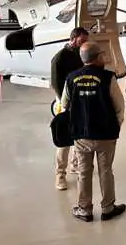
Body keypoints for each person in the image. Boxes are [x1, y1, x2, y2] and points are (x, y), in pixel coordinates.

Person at [60, 42, 126, 222]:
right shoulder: (108, 77)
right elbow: (119, 105)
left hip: (81, 134)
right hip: (105, 133)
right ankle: (108, 208)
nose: (104, 59)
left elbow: (64, 104)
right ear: (97, 58)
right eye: (102, 56)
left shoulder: (71, 78)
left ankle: (85, 209)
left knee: (84, 172)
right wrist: (116, 125)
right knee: (106, 171)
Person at [50, 27, 88, 190]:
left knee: (79, 136)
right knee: (64, 141)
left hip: (81, 102)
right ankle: (60, 174)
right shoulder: (59, 58)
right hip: (65, 103)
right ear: (73, 39)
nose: (85, 44)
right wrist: (66, 103)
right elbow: (56, 84)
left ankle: (74, 164)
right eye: (82, 41)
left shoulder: (82, 54)